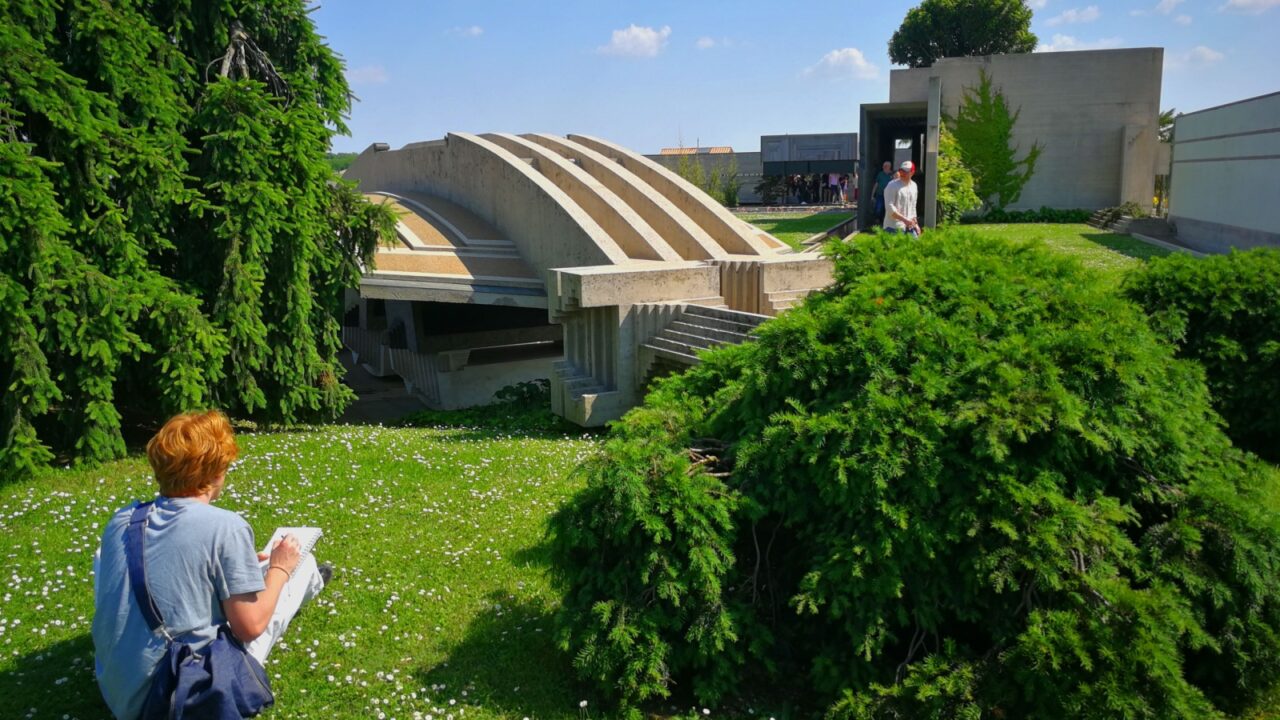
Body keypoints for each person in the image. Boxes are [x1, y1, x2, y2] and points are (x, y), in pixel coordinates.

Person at [92, 410, 330, 719]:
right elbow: (249, 628)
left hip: (117, 687)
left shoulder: (122, 519)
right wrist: (280, 568)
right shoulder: (224, 526)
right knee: (299, 566)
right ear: (215, 471)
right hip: (173, 696)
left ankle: (301, 577)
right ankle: (311, 579)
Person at [883, 160, 921, 237]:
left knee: (915, 247)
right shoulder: (892, 185)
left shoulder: (914, 186)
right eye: (901, 170)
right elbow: (890, 207)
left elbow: (913, 207)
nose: (902, 173)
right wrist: (905, 220)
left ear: (912, 172)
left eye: (906, 171)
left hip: (909, 226)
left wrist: (916, 224)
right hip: (893, 227)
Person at [872, 161, 894, 226]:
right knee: (878, 208)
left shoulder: (892, 175)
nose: (884, 167)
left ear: (889, 167)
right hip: (880, 194)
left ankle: (886, 223)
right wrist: (872, 195)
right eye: (884, 166)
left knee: (888, 209)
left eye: (886, 166)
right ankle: (877, 221)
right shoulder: (880, 174)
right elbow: (876, 185)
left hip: (889, 195)